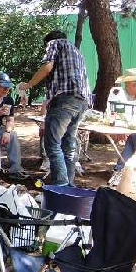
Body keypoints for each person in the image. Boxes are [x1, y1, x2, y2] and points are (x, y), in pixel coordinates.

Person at [18, 30, 90, 187]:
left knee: (52, 144)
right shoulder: (77, 51)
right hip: (81, 102)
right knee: (68, 144)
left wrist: (28, 85)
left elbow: (47, 67)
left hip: (64, 100)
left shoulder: (54, 43)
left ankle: (61, 185)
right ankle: (69, 186)